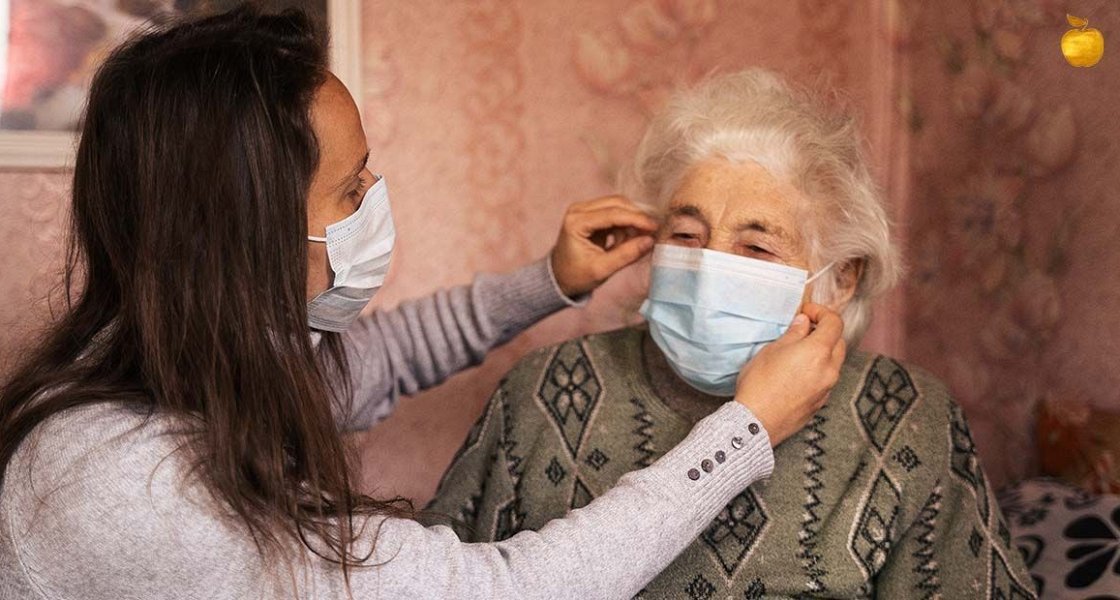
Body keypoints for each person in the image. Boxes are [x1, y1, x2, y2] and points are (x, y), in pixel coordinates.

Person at [0, 9, 846, 600]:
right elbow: (513, 590)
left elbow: (381, 359)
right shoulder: (132, 490)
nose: (376, 197)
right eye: (349, 187)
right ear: (244, 235)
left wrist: (546, 281)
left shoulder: (206, 361)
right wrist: (744, 433)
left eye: (756, 245)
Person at [428, 69, 1039, 599]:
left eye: (755, 246)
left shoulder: (904, 413)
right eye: (687, 237)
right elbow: (437, 580)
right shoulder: (544, 391)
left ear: (841, 278)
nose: (707, 266)